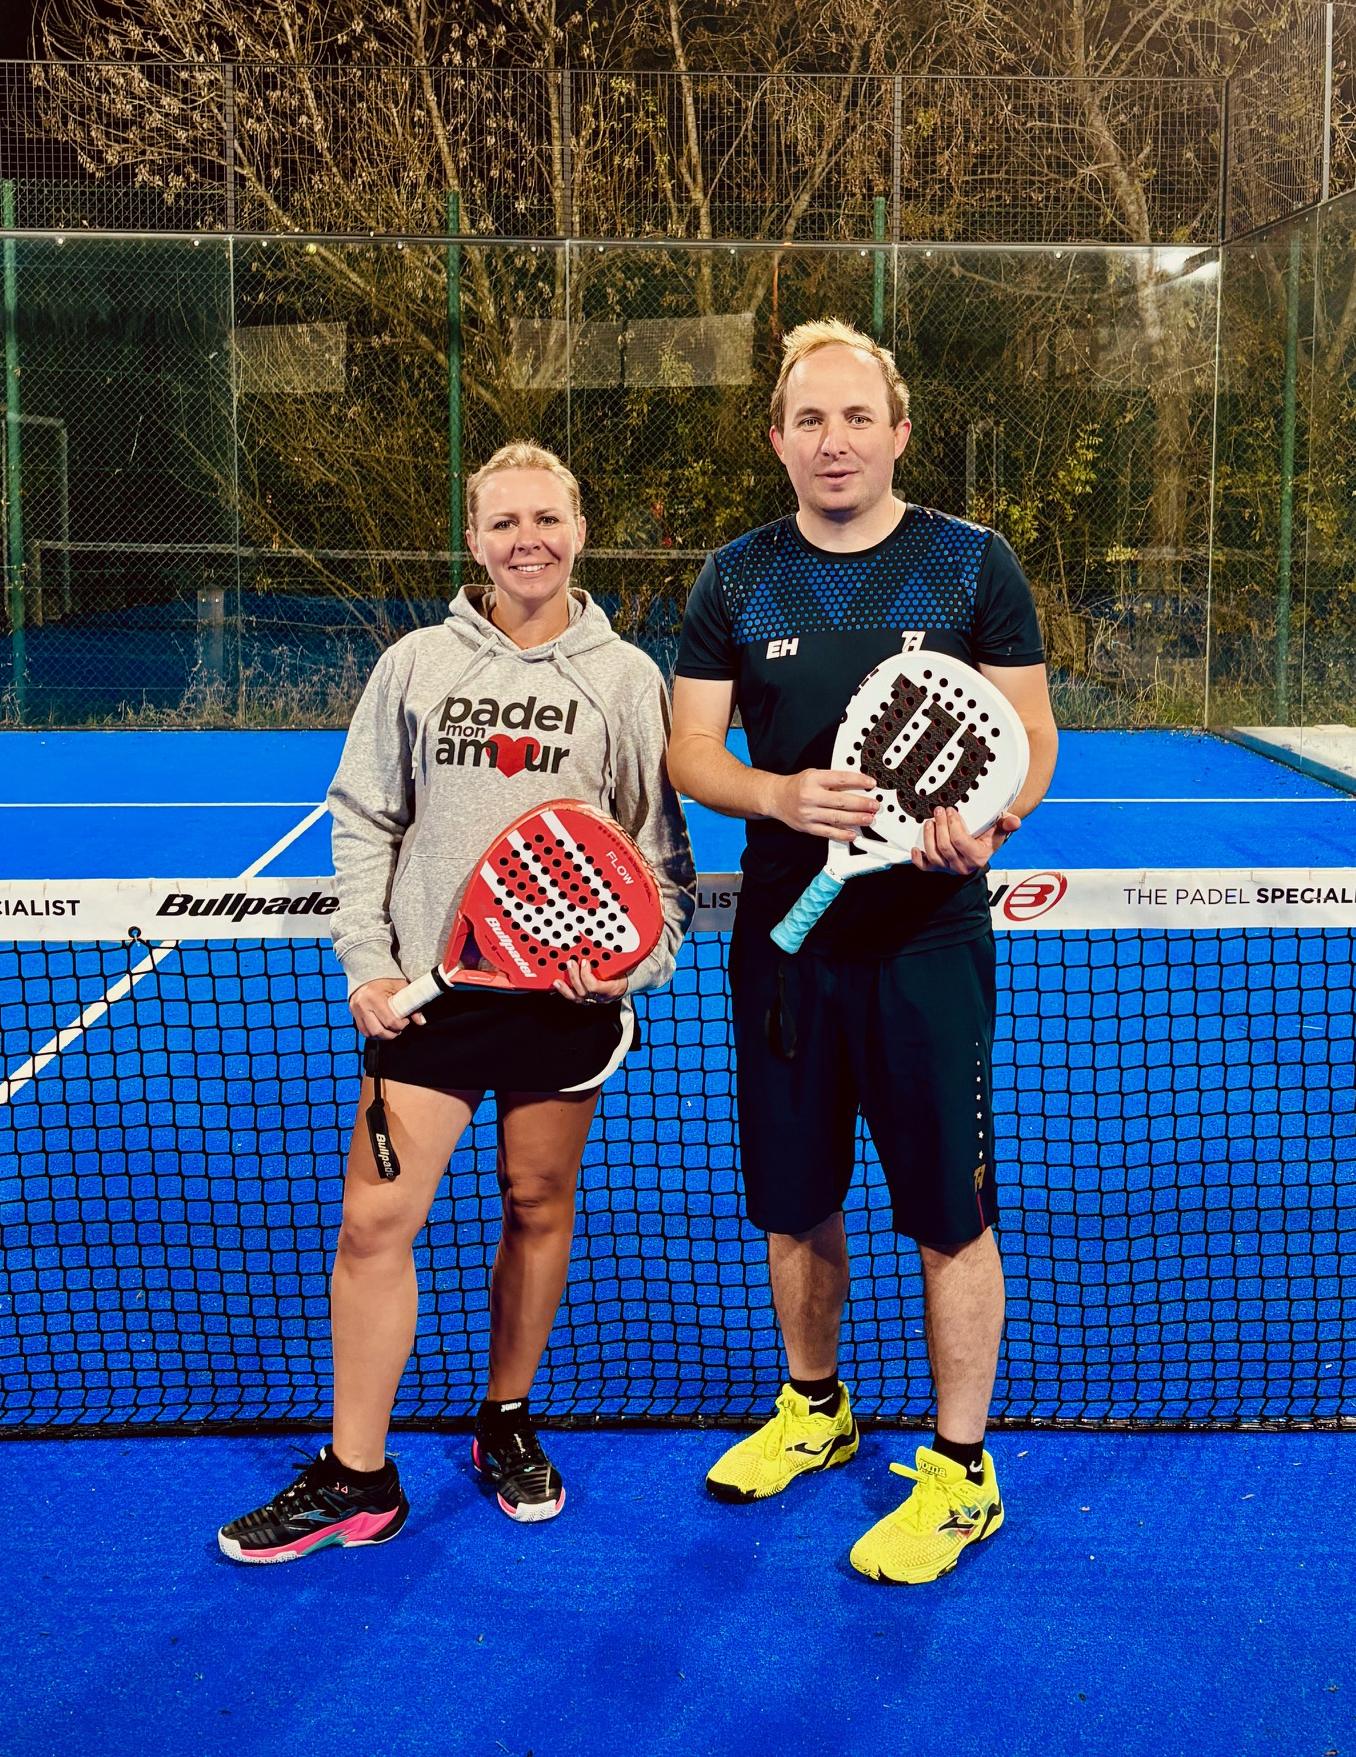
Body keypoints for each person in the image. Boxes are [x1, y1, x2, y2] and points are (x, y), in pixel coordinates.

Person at [219, 441, 695, 1563]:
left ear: (579, 528)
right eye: (502, 522)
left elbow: (660, 871)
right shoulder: (417, 663)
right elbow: (366, 819)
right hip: (431, 1004)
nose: (526, 538)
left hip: (565, 1001)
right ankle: (358, 1473)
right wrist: (369, 968)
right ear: (472, 539)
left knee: (537, 1204)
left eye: (546, 517)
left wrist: (631, 963)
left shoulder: (626, 678)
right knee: (375, 1222)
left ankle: (505, 1420)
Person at [667, 318, 1058, 1585]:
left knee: (952, 1211)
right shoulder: (735, 578)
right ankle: (816, 1407)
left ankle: (960, 1473)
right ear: (778, 439)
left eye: (856, 418)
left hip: (927, 942)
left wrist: (989, 823)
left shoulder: (972, 565)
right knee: (795, 1197)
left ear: (897, 431)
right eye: (809, 420)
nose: (833, 441)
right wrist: (777, 799)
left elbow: (1031, 735)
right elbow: (690, 754)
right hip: (786, 953)